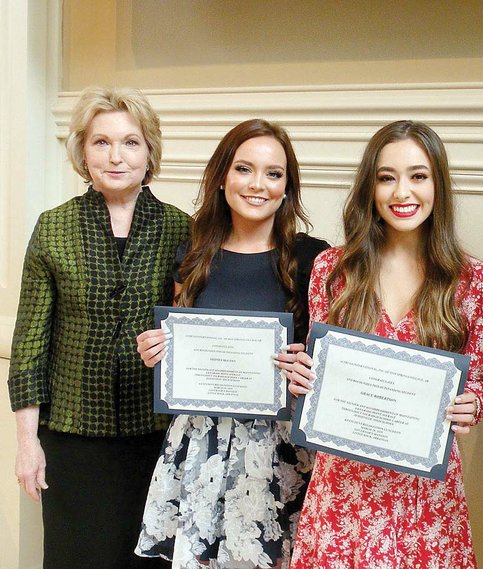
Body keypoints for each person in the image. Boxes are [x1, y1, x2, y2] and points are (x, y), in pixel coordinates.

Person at [286, 120, 483, 568]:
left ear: (437, 184)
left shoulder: (475, 282)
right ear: (371, 187)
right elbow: (318, 375)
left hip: (426, 496)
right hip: (344, 493)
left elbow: (479, 382)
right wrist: (302, 378)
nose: (403, 192)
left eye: (418, 176)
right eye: (387, 178)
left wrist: (471, 405)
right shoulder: (332, 270)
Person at [133, 118, 329, 569]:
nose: (257, 184)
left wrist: (311, 366)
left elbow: (333, 361)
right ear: (222, 177)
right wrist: (158, 352)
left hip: (278, 452)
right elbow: (179, 346)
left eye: (273, 173)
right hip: (201, 445)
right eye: (244, 169)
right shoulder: (193, 255)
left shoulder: (313, 259)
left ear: (287, 188)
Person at [8, 87, 191, 568]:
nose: (116, 156)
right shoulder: (54, 227)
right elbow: (29, 345)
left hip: (156, 437)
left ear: (149, 150)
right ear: (81, 151)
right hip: (71, 440)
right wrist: (28, 445)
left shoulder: (183, 230)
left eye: (131, 142)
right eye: (100, 142)